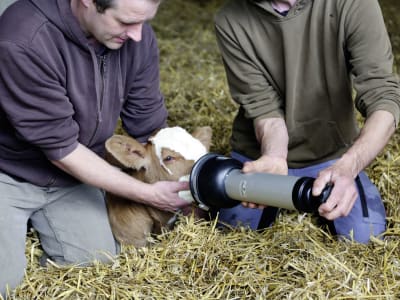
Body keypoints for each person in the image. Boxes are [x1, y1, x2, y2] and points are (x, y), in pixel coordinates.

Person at [0, 0, 191, 296]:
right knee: (4, 284)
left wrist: (191, 175)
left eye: (144, 22)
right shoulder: (24, 37)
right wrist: (148, 194)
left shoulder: (135, 37)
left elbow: (148, 121)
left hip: (74, 178)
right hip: (9, 172)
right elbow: (61, 149)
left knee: (96, 267)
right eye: (126, 22)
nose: (138, 35)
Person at [214, 0, 400, 243]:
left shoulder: (353, 3)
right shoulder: (230, 19)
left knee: (367, 239)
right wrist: (274, 156)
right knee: (232, 239)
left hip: (331, 154)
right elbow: (265, 111)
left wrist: (349, 166)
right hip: (259, 158)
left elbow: (383, 95)